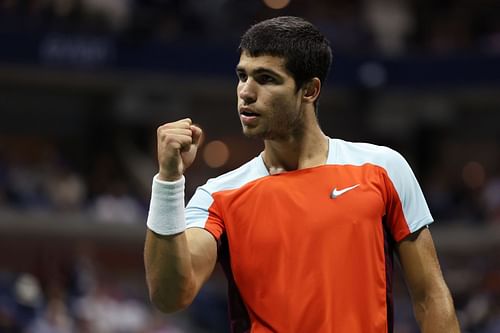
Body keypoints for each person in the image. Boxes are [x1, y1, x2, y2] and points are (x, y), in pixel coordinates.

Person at [144, 16, 460, 333]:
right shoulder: (217, 197)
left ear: (309, 90)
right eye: (242, 76)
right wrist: (169, 181)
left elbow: (430, 296)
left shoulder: (383, 168)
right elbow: (170, 296)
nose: (246, 92)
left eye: (266, 79)